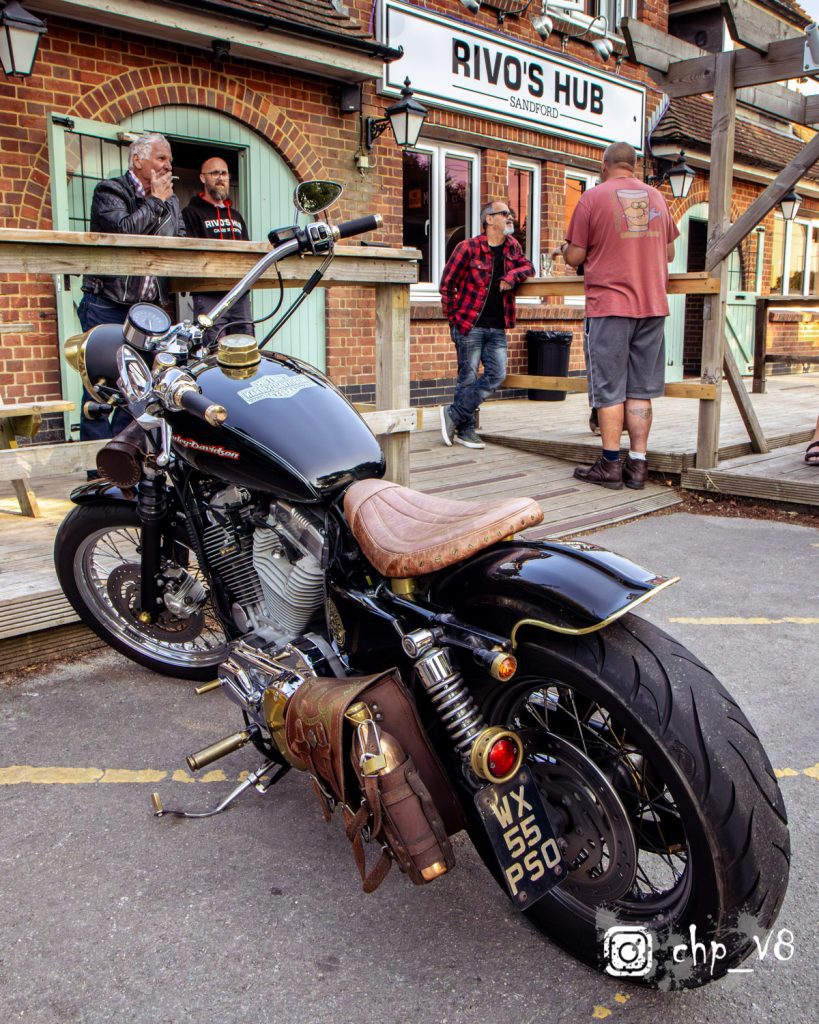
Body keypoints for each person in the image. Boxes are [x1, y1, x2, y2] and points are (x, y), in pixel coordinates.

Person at [553, 141, 679, 490]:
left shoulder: (592, 198)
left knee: (610, 390)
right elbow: (668, 252)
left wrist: (563, 248)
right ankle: (637, 465)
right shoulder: (657, 198)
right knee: (640, 389)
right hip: (652, 305)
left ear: (604, 165)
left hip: (610, 306)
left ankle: (610, 465)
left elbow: (576, 257)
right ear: (635, 166)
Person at [78, 132, 185, 441]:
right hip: (107, 304)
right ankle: (96, 466)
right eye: (161, 158)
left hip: (147, 310)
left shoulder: (171, 199)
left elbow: (178, 240)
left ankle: (123, 462)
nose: (168, 166)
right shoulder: (110, 190)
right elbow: (123, 233)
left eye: (170, 160)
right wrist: (155, 202)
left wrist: (163, 203)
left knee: (137, 388)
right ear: (138, 160)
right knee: (101, 387)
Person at [439, 200, 535, 449]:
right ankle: (466, 430)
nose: (510, 217)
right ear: (489, 219)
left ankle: (453, 414)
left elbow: (529, 267)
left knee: (497, 375)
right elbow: (447, 283)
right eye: (505, 214)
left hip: (497, 326)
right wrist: (454, 319)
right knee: (467, 378)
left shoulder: (512, 247)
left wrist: (512, 276)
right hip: (470, 323)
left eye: (510, 214)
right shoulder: (468, 247)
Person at [182, 156, 253, 345]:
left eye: (224, 173)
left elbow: (248, 252)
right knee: (212, 345)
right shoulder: (191, 213)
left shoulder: (236, 216)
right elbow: (189, 254)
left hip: (238, 292)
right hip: (208, 292)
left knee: (245, 343)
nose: (220, 178)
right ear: (203, 178)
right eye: (214, 173)